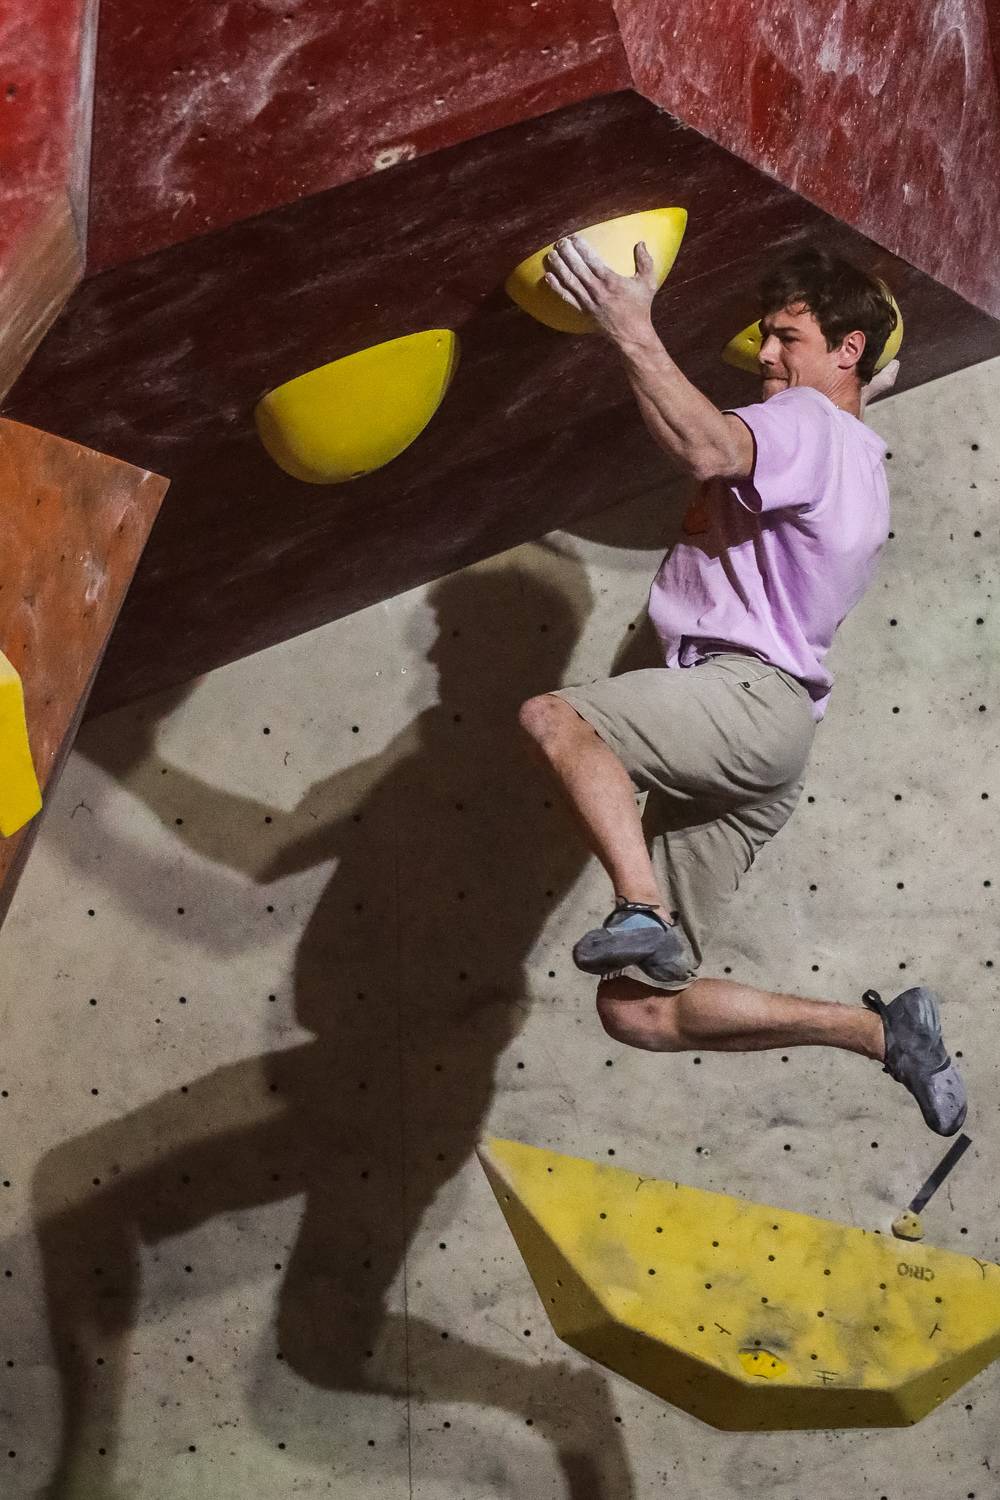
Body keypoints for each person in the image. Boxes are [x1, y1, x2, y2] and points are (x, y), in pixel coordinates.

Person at [518, 240, 967, 1137]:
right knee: (636, 1011)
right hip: (772, 750)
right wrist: (858, 386)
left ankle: (641, 908)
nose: (763, 354)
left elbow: (708, 445)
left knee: (556, 717)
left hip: (746, 698)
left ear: (846, 350)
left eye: (786, 337)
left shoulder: (807, 422)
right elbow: (746, 446)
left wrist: (629, 327)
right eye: (767, 335)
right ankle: (882, 1033)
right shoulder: (856, 447)